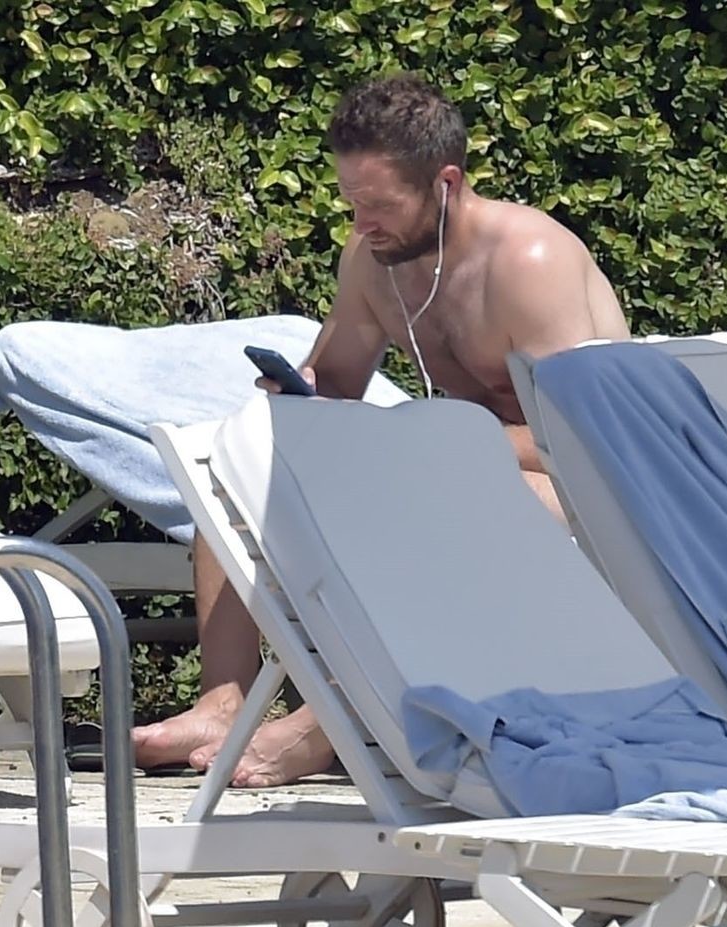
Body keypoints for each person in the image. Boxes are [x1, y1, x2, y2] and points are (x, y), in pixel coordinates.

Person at [132, 73, 632, 788]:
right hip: (459, 462)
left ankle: (327, 724)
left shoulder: (528, 262)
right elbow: (336, 380)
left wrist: (426, 443)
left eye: (380, 204)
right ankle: (221, 703)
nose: (362, 223)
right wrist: (299, 397)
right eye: (352, 202)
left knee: (452, 500)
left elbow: (583, 441)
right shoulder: (376, 260)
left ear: (445, 183)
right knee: (238, 468)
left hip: (586, 490)